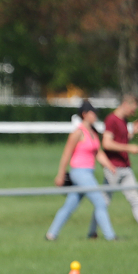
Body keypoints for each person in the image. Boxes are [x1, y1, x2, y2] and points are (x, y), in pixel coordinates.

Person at [87, 95, 138, 242]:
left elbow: (120, 141)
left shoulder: (123, 121)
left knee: (135, 200)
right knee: (103, 202)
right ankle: (92, 232)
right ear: (125, 104)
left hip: (125, 167)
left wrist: (132, 134)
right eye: (133, 109)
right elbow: (107, 143)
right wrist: (129, 148)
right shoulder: (111, 120)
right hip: (113, 167)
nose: (134, 113)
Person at [45, 100, 117, 241]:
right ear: (84, 114)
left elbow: (98, 153)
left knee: (70, 204)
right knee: (100, 202)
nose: (95, 116)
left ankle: (51, 234)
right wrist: (60, 174)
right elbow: (66, 154)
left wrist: (109, 165)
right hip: (80, 173)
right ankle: (110, 237)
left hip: (88, 172)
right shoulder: (78, 133)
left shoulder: (93, 132)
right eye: (92, 113)